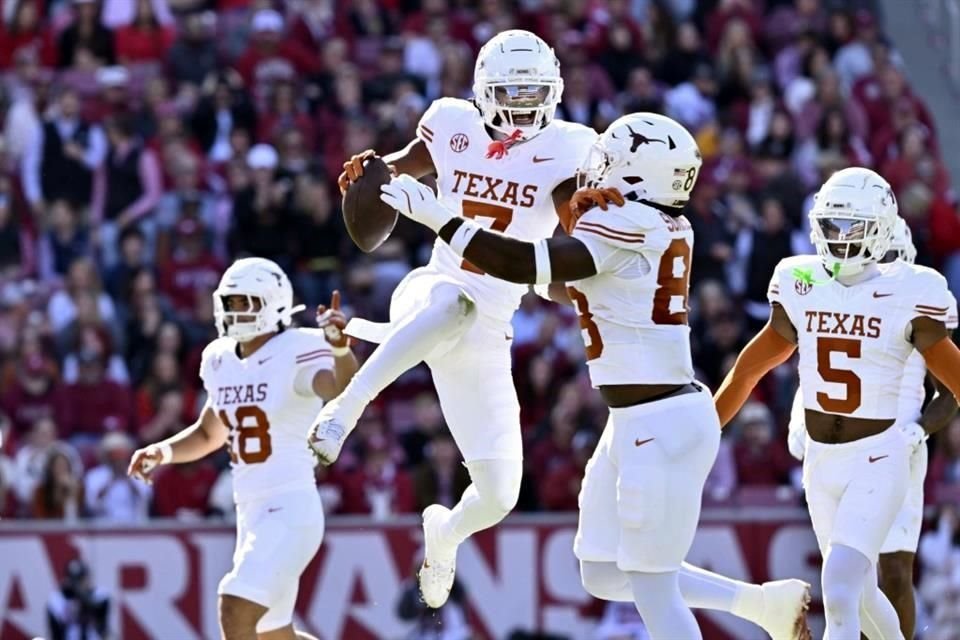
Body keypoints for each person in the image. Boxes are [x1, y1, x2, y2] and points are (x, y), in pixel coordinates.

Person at [380, 113, 810, 640]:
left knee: (653, 589)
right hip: (639, 419)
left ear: (633, 172)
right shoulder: (661, 222)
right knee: (603, 572)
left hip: (658, 420)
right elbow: (565, 278)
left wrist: (443, 221)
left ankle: (762, 607)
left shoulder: (624, 224)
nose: (596, 169)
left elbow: (524, 263)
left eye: (610, 160)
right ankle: (761, 604)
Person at [310, 29, 616, 609]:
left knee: (501, 493)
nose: (524, 103)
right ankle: (342, 412)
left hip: (492, 327)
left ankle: (444, 535)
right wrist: (370, 177)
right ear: (483, 90)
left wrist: (583, 273)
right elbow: (392, 178)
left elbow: (560, 256)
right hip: (433, 287)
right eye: (511, 89)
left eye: (534, 90)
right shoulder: (452, 121)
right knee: (454, 303)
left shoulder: (573, 147)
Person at [714, 167, 960, 639]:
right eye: (833, 225)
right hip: (822, 463)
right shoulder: (801, 279)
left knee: (844, 589)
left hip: (881, 454)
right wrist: (710, 428)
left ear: (884, 228)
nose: (841, 239)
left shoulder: (911, 289)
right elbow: (752, 368)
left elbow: (955, 382)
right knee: (862, 593)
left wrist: (923, 430)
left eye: (854, 227)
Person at [128, 258, 357, 640]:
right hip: (251, 512)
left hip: (289, 507)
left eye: (245, 302)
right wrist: (163, 452)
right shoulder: (220, 359)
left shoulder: (297, 348)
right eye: (230, 302)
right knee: (274, 635)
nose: (235, 311)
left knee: (233, 607)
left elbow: (339, 387)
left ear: (273, 303)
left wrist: (340, 351)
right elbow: (208, 434)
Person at [787, 216, 958, 638]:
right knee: (850, 575)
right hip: (843, 450)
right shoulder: (834, 296)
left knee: (895, 569)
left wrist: (919, 429)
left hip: (896, 447)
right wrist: (799, 417)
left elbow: (951, 392)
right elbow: (815, 369)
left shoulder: (916, 308)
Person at [47, 558, 110, 640]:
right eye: (74, 580)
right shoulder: (57, 600)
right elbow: (56, 633)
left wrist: (85, 603)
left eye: (81, 579)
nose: (77, 585)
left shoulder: (100, 596)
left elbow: (102, 627)